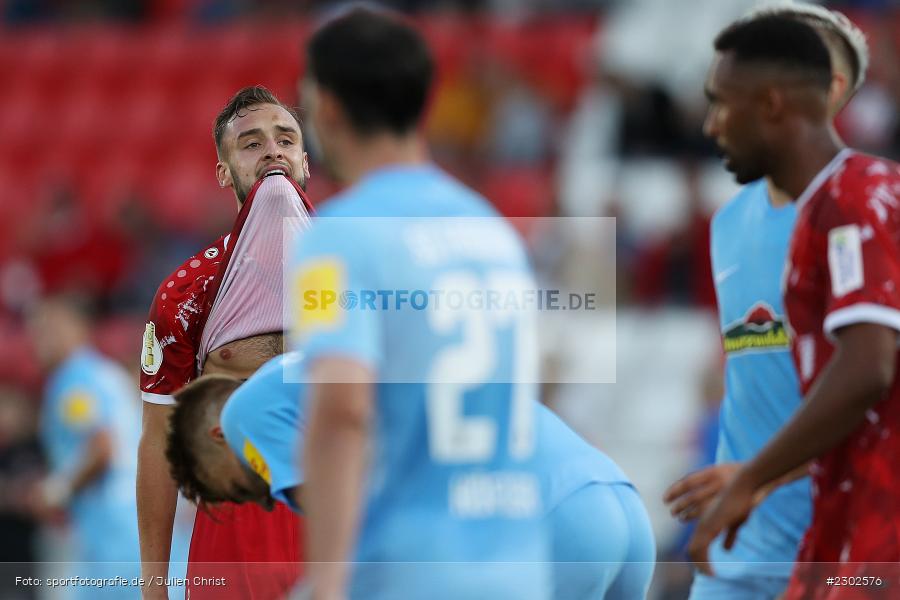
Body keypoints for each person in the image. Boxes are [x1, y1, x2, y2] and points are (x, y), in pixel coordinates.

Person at [291, 8, 552, 599]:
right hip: (516, 569)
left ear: (326, 107)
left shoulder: (333, 238)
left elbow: (341, 409)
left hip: (408, 570)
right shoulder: (496, 233)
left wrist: (325, 586)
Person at [687, 15, 900, 599]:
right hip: (762, 555)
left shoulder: (865, 200)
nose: (710, 125)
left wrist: (754, 477)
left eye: (723, 102)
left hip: (868, 554)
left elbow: (868, 371)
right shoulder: (731, 224)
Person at [165, 352, 657, 599]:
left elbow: (353, 537)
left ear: (217, 435)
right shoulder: (325, 369)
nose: (266, 502)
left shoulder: (246, 412)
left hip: (539, 520)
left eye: (234, 488)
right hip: (613, 497)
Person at [136, 85, 313, 600]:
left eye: (285, 139)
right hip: (233, 538)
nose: (273, 151)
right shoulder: (187, 293)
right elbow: (158, 444)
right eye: (252, 144)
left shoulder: (358, 273)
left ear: (304, 159)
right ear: (224, 171)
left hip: (338, 519)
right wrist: (153, 588)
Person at [25, 294, 141, 598]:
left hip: (111, 532)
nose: (41, 339)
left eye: (51, 328)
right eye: (37, 330)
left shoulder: (74, 379)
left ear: (80, 328)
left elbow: (102, 447)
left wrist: (56, 491)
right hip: (138, 524)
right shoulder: (105, 373)